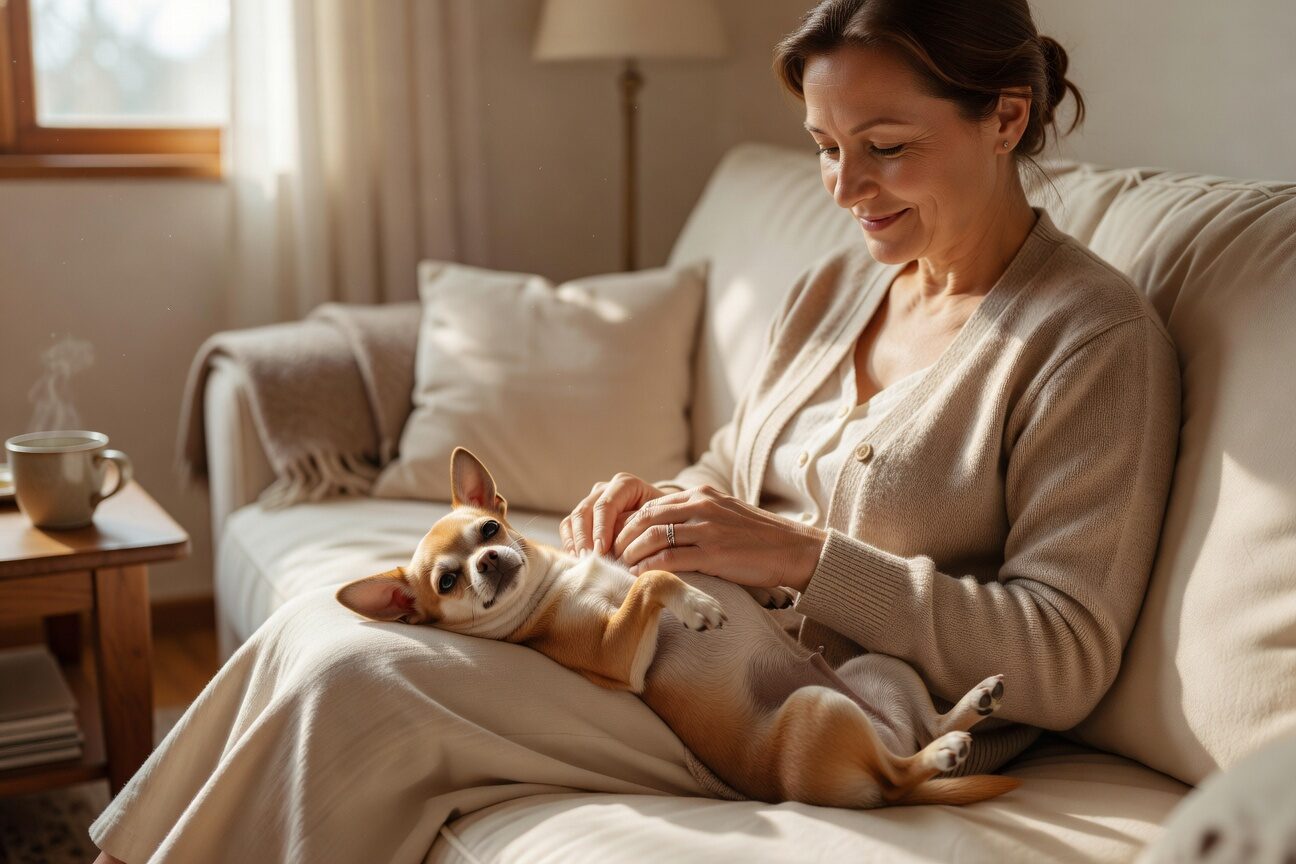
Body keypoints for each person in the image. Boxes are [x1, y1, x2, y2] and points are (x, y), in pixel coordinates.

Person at [91, 1, 1180, 861]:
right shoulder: (843, 283)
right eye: (822, 146)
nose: (846, 187)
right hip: (666, 632)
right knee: (314, 633)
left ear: (1006, 116)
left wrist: (808, 559)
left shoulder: (1090, 339)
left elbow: (1068, 654)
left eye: (885, 146)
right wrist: (657, 500)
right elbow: (737, 465)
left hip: (803, 708)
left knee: (362, 689)